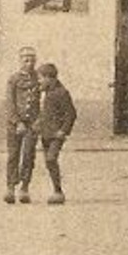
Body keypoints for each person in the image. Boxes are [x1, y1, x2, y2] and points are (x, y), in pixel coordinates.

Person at [35, 62, 78, 205]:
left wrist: (63, 131)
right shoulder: (46, 92)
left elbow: (71, 114)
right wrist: (38, 124)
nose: (39, 81)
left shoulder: (62, 93)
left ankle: (58, 191)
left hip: (56, 135)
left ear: (49, 78)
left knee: (51, 159)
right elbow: (46, 113)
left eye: (40, 78)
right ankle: (56, 190)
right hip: (46, 134)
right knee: (49, 162)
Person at [5, 46, 41, 204]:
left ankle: (25, 187)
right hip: (15, 124)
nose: (29, 63)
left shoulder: (39, 79)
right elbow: (10, 103)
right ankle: (10, 187)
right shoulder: (13, 79)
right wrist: (17, 122)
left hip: (32, 123)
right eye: (26, 60)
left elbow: (44, 101)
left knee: (28, 155)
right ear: (20, 61)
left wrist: (39, 120)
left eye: (32, 59)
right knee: (14, 155)